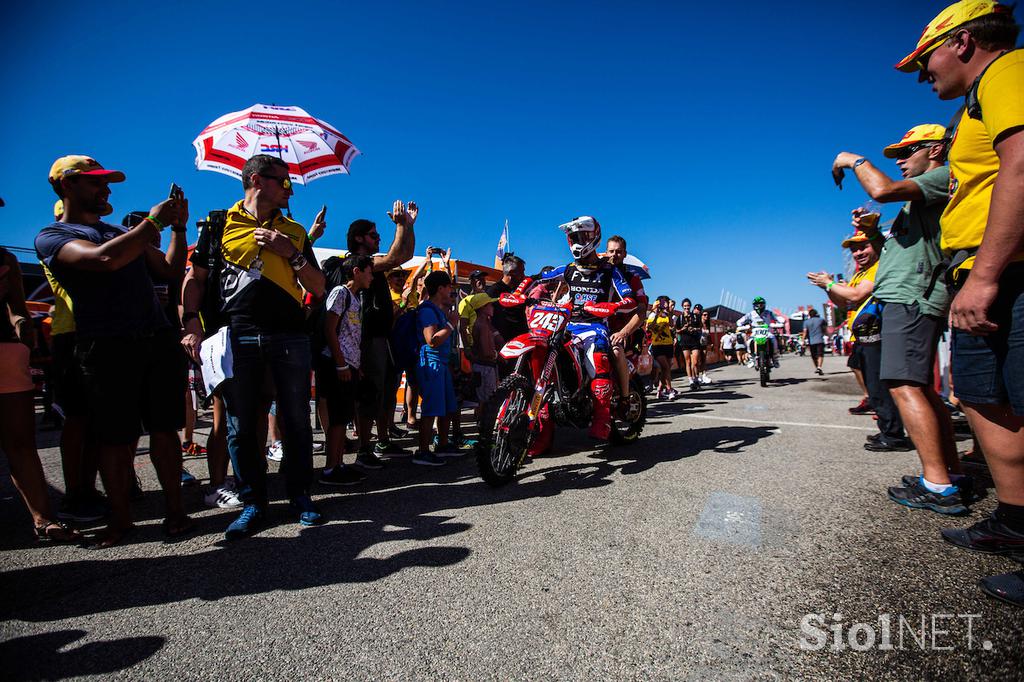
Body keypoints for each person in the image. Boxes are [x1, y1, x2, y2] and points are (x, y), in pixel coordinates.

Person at [897, 0, 1024, 604]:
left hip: (1004, 269)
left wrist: (988, 274)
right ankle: (1017, 522)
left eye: (928, 60)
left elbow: (1022, 167)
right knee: (982, 395)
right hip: (975, 268)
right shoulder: (976, 101)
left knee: (1017, 397)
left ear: (965, 42)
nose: (926, 75)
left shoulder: (1009, 72)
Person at [35, 155, 193, 547]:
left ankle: (176, 512)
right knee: (115, 437)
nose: (106, 189)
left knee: (164, 430)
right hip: (105, 344)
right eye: (95, 183)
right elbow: (103, 260)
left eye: (107, 183)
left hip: (154, 338)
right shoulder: (53, 236)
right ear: (66, 186)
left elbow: (170, 270)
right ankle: (121, 520)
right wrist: (151, 223)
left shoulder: (116, 231)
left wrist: (178, 227)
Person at [180, 154, 326, 539]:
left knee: (295, 419)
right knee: (242, 424)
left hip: (289, 335)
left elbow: (318, 286)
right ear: (257, 180)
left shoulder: (293, 229)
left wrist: (290, 252)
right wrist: (190, 321)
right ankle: (254, 502)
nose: (288, 189)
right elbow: (195, 278)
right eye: (284, 181)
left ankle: (299, 496)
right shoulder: (218, 223)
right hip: (234, 336)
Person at [833, 124, 965, 512]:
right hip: (906, 298)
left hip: (911, 299)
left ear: (936, 149)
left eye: (909, 152)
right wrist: (875, 236)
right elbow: (900, 251)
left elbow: (881, 190)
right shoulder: (921, 197)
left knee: (905, 385)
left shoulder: (942, 176)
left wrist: (853, 160)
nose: (902, 161)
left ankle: (938, 483)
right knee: (918, 387)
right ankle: (947, 473)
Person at [502, 216, 635, 442]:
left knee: (597, 357)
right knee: (544, 351)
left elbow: (630, 299)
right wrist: (518, 294)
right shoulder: (568, 269)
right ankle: (542, 422)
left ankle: (602, 417)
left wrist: (610, 306)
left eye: (582, 236)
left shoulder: (609, 271)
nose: (577, 241)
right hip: (567, 323)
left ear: (594, 237)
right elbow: (535, 278)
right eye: (573, 237)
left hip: (594, 326)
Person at [0, 246, 82, 543]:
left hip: (6, 354)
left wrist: (23, 331)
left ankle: (43, 518)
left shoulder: (5, 259)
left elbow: (17, 309)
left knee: (21, 443)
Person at [810, 233, 913, 451]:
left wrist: (829, 283)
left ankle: (894, 435)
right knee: (872, 385)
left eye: (863, 247)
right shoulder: (861, 273)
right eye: (854, 249)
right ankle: (888, 429)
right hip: (862, 336)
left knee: (880, 386)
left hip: (877, 334)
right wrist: (828, 288)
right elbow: (845, 303)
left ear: (876, 245)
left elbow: (856, 295)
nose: (858, 253)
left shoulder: (880, 268)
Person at [346, 202, 418, 468]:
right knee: (369, 392)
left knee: (386, 392)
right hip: (368, 338)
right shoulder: (356, 262)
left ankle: (383, 440)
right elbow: (394, 258)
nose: (379, 239)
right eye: (374, 235)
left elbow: (405, 254)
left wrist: (408, 227)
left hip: (383, 337)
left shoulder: (373, 264)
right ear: (359, 239)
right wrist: (401, 225)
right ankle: (364, 448)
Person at [318, 254, 373, 486]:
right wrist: (341, 363)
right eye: (369, 271)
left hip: (350, 365)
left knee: (344, 415)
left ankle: (340, 463)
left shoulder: (356, 297)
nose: (372, 276)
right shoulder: (340, 293)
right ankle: (331, 468)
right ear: (356, 271)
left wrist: (355, 365)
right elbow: (329, 329)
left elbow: (351, 334)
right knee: (338, 417)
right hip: (337, 364)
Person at [413, 271, 462, 466]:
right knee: (431, 409)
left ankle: (442, 444)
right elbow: (431, 340)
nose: (451, 290)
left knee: (448, 406)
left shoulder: (438, 309)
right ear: (440, 288)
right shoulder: (427, 310)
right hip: (431, 363)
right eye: (448, 286)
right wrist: (451, 324)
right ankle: (423, 451)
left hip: (441, 364)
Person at [604, 235, 649, 401]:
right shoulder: (597, 275)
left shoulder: (633, 278)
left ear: (624, 254)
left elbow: (642, 311)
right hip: (597, 330)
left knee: (616, 352)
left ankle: (624, 397)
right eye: (611, 251)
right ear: (605, 252)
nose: (614, 255)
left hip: (623, 335)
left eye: (619, 251)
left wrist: (623, 333)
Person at [486, 253, 527, 377]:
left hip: (522, 345)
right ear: (512, 273)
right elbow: (485, 318)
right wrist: (497, 337)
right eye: (521, 272)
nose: (524, 276)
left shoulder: (520, 291)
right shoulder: (494, 291)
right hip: (504, 348)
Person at [735, 297, 784, 370]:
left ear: (764, 305)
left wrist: (780, 322)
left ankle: (775, 359)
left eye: (761, 304)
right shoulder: (750, 314)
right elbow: (739, 322)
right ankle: (751, 358)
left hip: (767, 331)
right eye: (757, 305)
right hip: (755, 332)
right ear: (754, 305)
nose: (759, 306)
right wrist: (744, 326)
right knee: (749, 342)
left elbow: (778, 319)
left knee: (774, 341)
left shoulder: (769, 313)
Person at [647, 296, 677, 399]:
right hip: (657, 345)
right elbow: (649, 327)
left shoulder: (666, 314)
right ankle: (669, 389)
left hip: (668, 344)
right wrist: (655, 312)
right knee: (665, 367)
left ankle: (660, 390)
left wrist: (670, 313)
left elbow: (672, 325)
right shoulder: (652, 315)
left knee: (666, 370)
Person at [674, 299, 702, 388]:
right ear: (682, 306)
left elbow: (700, 328)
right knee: (688, 362)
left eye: (688, 305)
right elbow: (677, 330)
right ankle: (691, 380)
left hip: (694, 341)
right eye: (685, 306)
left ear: (690, 306)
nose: (686, 307)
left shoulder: (695, 316)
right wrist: (683, 329)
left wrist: (694, 329)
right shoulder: (680, 317)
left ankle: (696, 378)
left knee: (695, 362)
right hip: (684, 341)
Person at [802, 308, 827, 375]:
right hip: (820, 340)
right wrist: (823, 333)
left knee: (813, 356)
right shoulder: (821, 320)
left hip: (811, 342)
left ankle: (817, 368)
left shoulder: (806, 322)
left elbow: (804, 332)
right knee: (820, 354)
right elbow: (825, 327)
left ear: (809, 315)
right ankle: (819, 367)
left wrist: (803, 340)